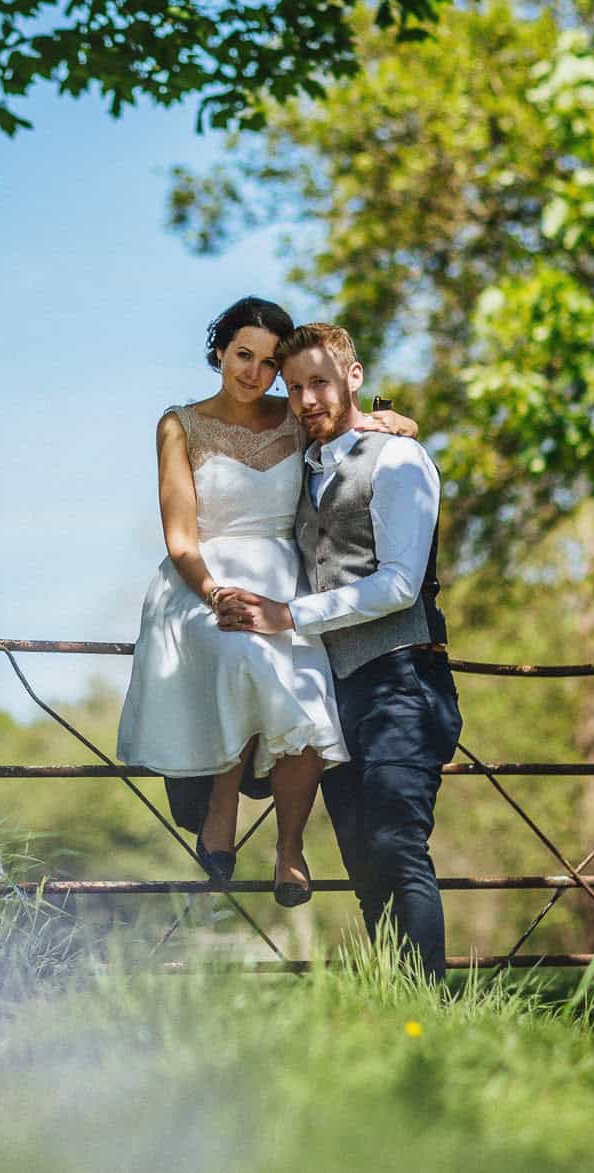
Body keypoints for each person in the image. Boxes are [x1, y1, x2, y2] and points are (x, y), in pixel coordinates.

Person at [115, 299, 413, 907]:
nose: (253, 372)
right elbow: (180, 537)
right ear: (219, 351)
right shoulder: (180, 424)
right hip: (201, 578)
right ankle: (221, 805)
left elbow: (350, 421)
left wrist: (399, 422)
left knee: (305, 685)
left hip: (287, 576)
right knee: (247, 655)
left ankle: (290, 848)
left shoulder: (295, 415)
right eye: (242, 355)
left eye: (268, 362)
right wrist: (213, 592)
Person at [217, 322, 463, 980]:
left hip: (403, 678)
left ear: (353, 377)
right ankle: (399, 1010)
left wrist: (287, 615)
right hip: (333, 689)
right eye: (295, 387)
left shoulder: (398, 461)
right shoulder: (303, 468)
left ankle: (431, 1014)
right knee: (361, 859)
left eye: (320, 382)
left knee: (395, 844)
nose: (306, 399)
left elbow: (399, 583)